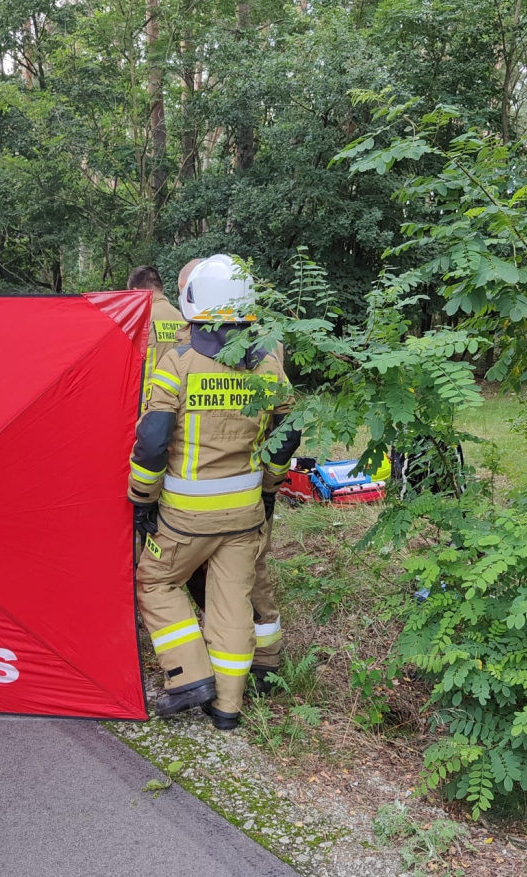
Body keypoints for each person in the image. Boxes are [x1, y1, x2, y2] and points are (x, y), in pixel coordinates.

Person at [128, 254, 300, 730]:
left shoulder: (177, 364)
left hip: (185, 517)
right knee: (231, 606)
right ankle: (227, 708)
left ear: (191, 304)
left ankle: (189, 676)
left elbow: (153, 441)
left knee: (156, 583)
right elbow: (288, 435)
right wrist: (270, 487)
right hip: (245, 515)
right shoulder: (267, 365)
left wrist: (141, 499)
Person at [127, 264, 188, 408]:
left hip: (146, 406)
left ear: (135, 292)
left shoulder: (139, 320)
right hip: (178, 403)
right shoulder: (183, 319)